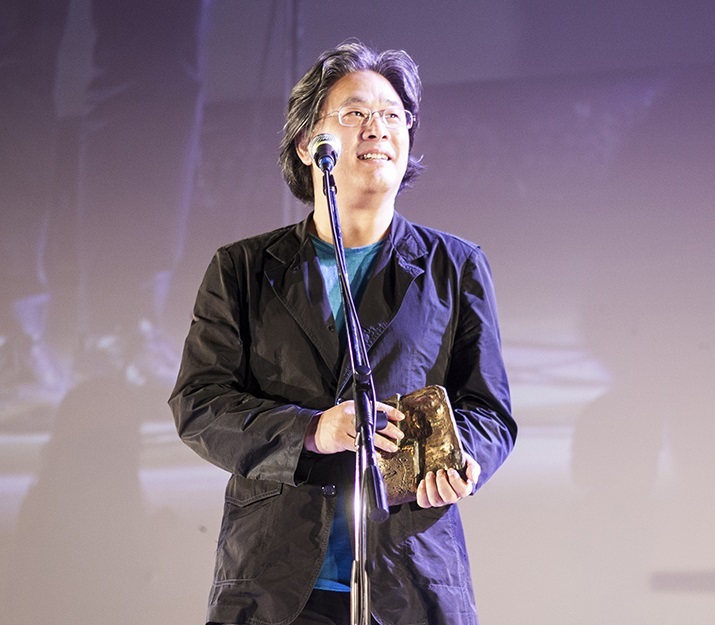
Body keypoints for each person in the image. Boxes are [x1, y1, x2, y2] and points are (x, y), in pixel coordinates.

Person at [169, 41, 516, 625]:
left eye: (393, 114)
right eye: (355, 113)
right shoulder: (243, 268)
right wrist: (313, 430)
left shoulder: (454, 266)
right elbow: (199, 406)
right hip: (275, 583)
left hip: (410, 575)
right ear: (310, 145)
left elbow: (489, 411)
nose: (378, 127)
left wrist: (464, 461)